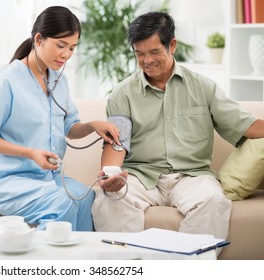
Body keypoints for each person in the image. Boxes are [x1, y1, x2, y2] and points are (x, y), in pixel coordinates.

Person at [92, 12, 264, 240]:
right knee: (109, 200)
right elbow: (116, 144)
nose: (147, 61)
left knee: (213, 201)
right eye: (139, 54)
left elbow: (246, 126)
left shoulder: (203, 87)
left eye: (154, 52)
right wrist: (109, 178)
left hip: (191, 177)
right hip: (141, 176)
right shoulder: (122, 94)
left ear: (172, 45)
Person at [0, 6, 120, 231]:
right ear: (38, 39)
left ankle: (77, 261)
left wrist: (92, 126)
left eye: (72, 48)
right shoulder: (6, 81)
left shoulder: (59, 80)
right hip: (4, 180)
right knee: (61, 203)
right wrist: (30, 153)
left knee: (86, 198)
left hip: (47, 178)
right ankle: (43, 263)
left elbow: (70, 127)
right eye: (61, 46)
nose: (66, 55)